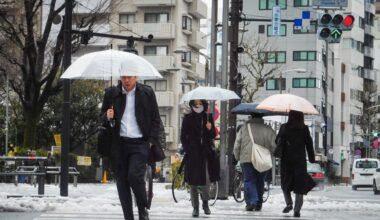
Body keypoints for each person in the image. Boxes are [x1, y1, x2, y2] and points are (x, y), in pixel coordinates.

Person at [100, 76, 162, 220]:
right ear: (120, 77)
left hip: (140, 142)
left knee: (134, 176)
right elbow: (101, 117)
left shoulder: (147, 92)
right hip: (118, 143)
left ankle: (143, 209)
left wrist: (151, 140)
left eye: (130, 77)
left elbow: (156, 118)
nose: (127, 80)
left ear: (136, 77)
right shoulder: (111, 93)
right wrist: (107, 117)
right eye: (124, 77)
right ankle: (128, 217)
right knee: (122, 181)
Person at [180, 99, 220, 217]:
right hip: (193, 153)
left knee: (206, 180)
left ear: (204, 104)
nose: (198, 106)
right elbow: (183, 136)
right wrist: (188, 148)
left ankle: (205, 203)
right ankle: (195, 207)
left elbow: (213, 135)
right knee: (193, 182)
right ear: (192, 105)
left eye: (200, 104)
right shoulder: (187, 118)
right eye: (195, 104)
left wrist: (209, 128)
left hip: (205, 153)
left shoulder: (208, 117)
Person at [275, 110, 315, 218]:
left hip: (286, 161)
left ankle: (289, 203)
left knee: (285, 183)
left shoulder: (284, 127)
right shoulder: (304, 129)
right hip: (300, 162)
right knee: (299, 187)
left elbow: (276, 141)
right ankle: (297, 210)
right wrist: (312, 158)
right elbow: (309, 145)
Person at [233, 113, 276, 211]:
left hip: (246, 158)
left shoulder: (244, 128)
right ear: (262, 117)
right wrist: (273, 154)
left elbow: (237, 144)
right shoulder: (268, 129)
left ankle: (252, 202)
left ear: (251, 117)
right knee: (260, 181)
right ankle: (258, 203)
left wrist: (236, 156)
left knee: (249, 180)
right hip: (263, 159)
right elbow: (274, 145)